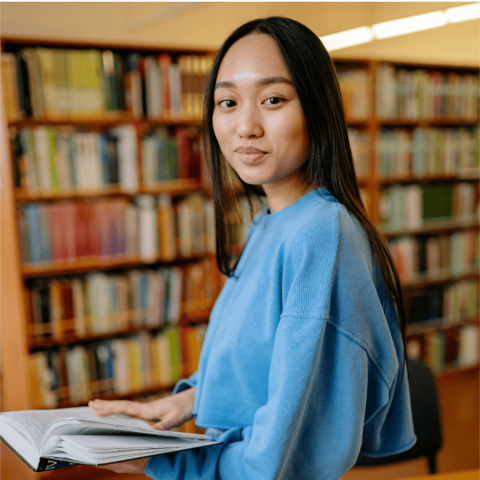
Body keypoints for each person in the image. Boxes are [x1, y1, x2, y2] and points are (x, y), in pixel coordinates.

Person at [89, 16, 416, 480]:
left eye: (273, 100)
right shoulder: (271, 220)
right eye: (227, 102)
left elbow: (282, 461)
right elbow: (261, 368)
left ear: (318, 109)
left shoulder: (321, 235)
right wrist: (184, 401)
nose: (245, 126)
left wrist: (163, 463)